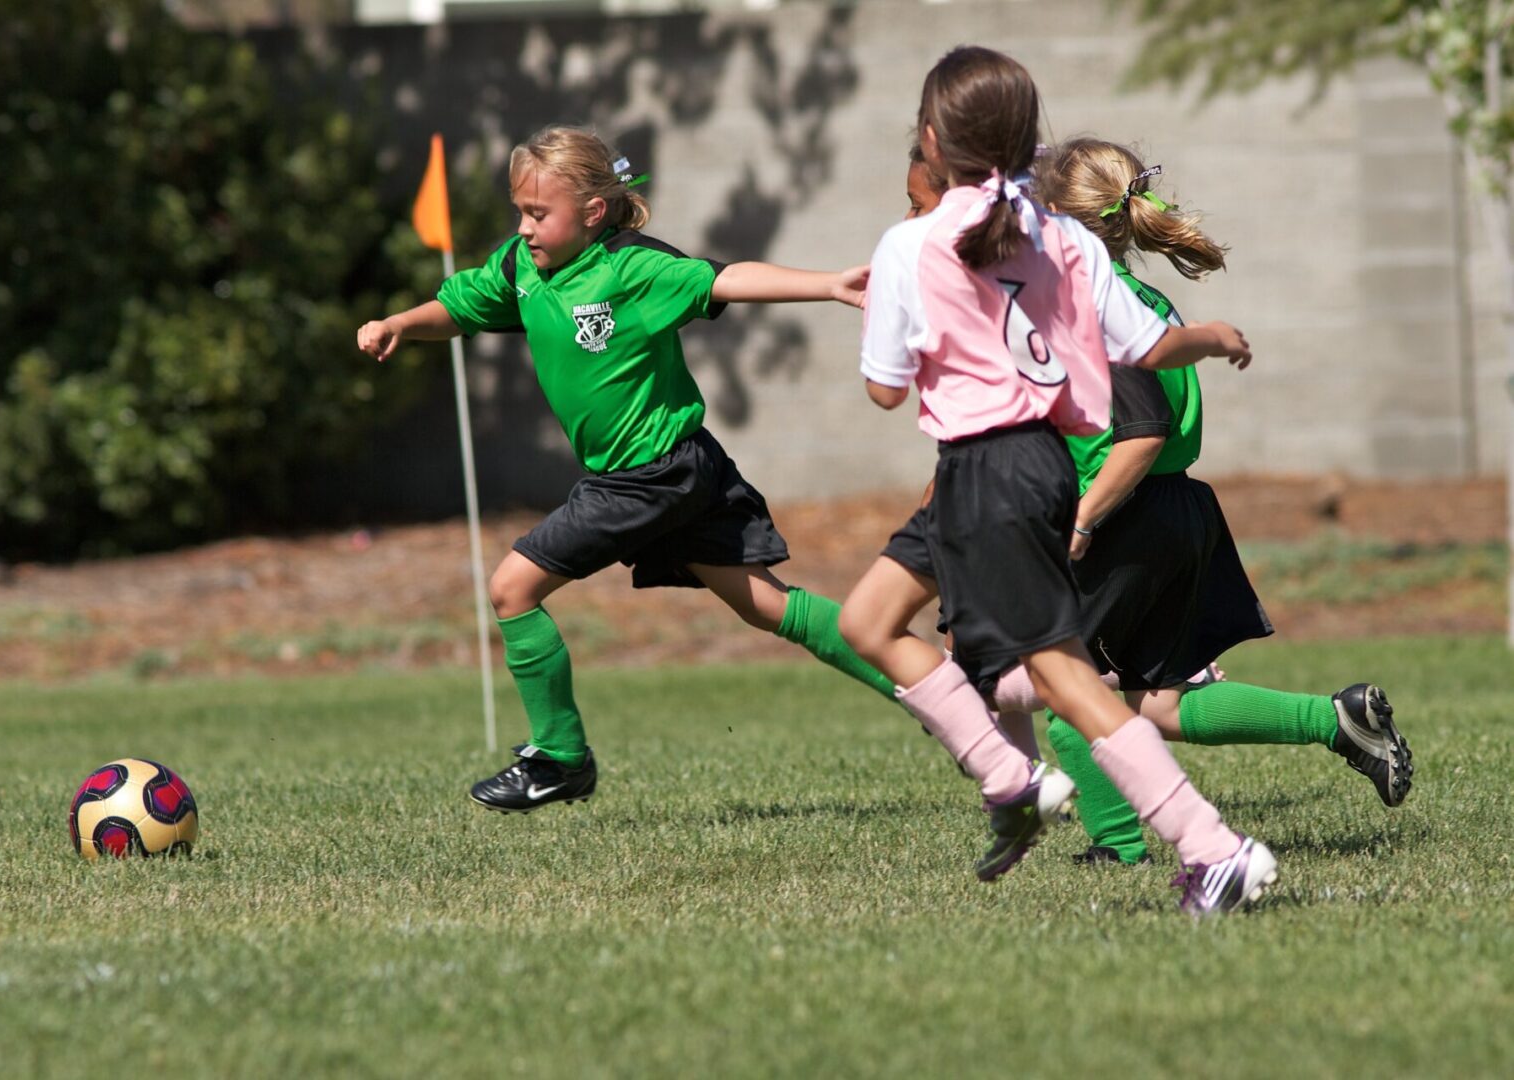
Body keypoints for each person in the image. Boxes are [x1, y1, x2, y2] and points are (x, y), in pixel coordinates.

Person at [838, 46, 1273, 917]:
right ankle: (1010, 780)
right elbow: (1144, 349)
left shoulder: (911, 243)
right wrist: (1213, 333)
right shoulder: (1063, 235)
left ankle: (1212, 847)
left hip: (986, 471)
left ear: (932, 140)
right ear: (1027, 141)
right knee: (870, 619)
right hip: (1024, 467)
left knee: (1067, 677)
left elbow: (885, 390)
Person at [357, 125, 895, 813]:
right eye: (519, 211)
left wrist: (829, 285)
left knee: (512, 588)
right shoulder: (523, 270)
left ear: (592, 212)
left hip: (652, 475)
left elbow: (723, 276)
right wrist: (403, 321)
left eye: (537, 214)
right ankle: (929, 686)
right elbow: (461, 307)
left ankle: (560, 758)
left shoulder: (631, 268)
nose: (523, 228)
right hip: (678, 469)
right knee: (765, 605)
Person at [1016, 136, 1414, 866]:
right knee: (1157, 702)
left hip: (1128, 517)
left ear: (1058, 224)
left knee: (1069, 693)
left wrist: (1082, 516)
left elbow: (1140, 434)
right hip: (1173, 512)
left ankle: (1119, 850)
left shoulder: (1094, 308)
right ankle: (1337, 721)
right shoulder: (1138, 294)